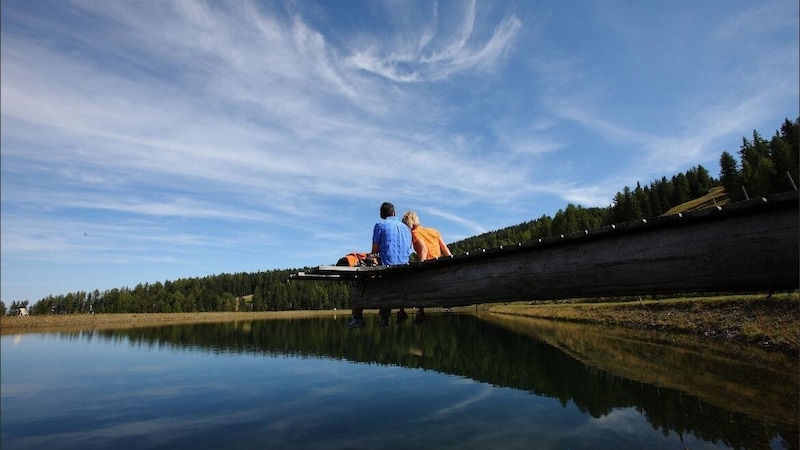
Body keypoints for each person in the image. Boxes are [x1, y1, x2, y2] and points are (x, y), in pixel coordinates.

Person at [348, 202, 412, 328]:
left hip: (386, 268)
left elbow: (374, 251)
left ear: (382, 215)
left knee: (360, 278)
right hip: (404, 268)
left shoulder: (380, 225)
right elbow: (409, 249)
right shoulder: (407, 229)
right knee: (387, 278)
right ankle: (384, 317)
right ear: (394, 213)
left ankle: (357, 317)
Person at [401, 210, 452, 324]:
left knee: (412, 283)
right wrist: (451, 264)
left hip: (429, 266)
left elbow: (424, 249)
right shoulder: (434, 231)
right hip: (439, 265)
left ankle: (418, 311)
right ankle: (419, 311)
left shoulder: (414, 233)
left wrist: (422, 266)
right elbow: (446, 250)